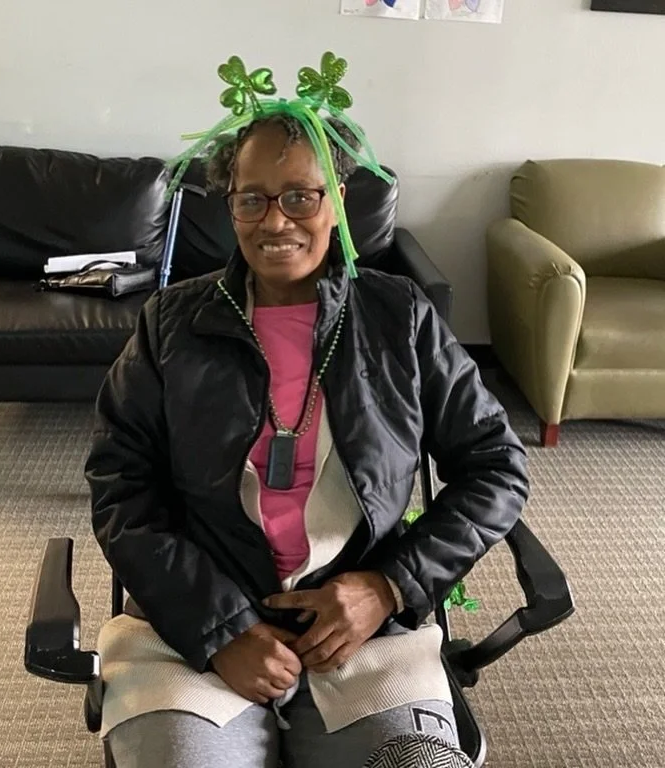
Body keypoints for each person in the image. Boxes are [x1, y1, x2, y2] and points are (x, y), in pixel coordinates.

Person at [84, 53, 529, 768]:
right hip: (193, 630)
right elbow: (121, 489)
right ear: (228, 205)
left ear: (338, 201)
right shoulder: (169, 324)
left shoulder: (400, 318)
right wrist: (219, 627)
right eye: (251, 198)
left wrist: (390, 585)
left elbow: (497, 468)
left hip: (363, 634)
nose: (275, 220)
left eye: (299, 196)